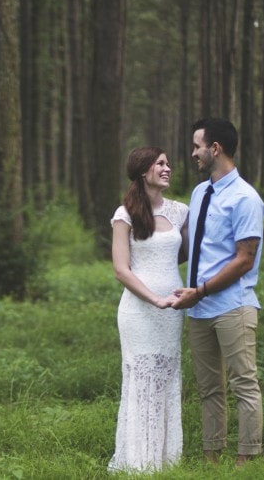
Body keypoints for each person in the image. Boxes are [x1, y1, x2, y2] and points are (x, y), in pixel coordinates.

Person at [172, 117, 264, 467]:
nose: (193, 152)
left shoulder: (245, 199)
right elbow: (191, 248)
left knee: (244, 384)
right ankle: (212, 457)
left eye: (197, 146)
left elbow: (244, 259)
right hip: (198, 310)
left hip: (232, 307)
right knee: (209, 389)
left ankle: (247, 460)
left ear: (215, 149)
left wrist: (202, 290)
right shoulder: (199, 193)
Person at [108, 146, 189, 473]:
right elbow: (121, 269)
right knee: (142, 377)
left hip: (173, 310)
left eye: (168, 163)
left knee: (167, 376)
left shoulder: (180, 211)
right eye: (160, 164)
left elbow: (181, 255)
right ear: (143, 171)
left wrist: (176, 290)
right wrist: (154, 298)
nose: (167, 168)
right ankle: (139, 462)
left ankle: (166, 460)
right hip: (139, 313)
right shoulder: (124, 214)